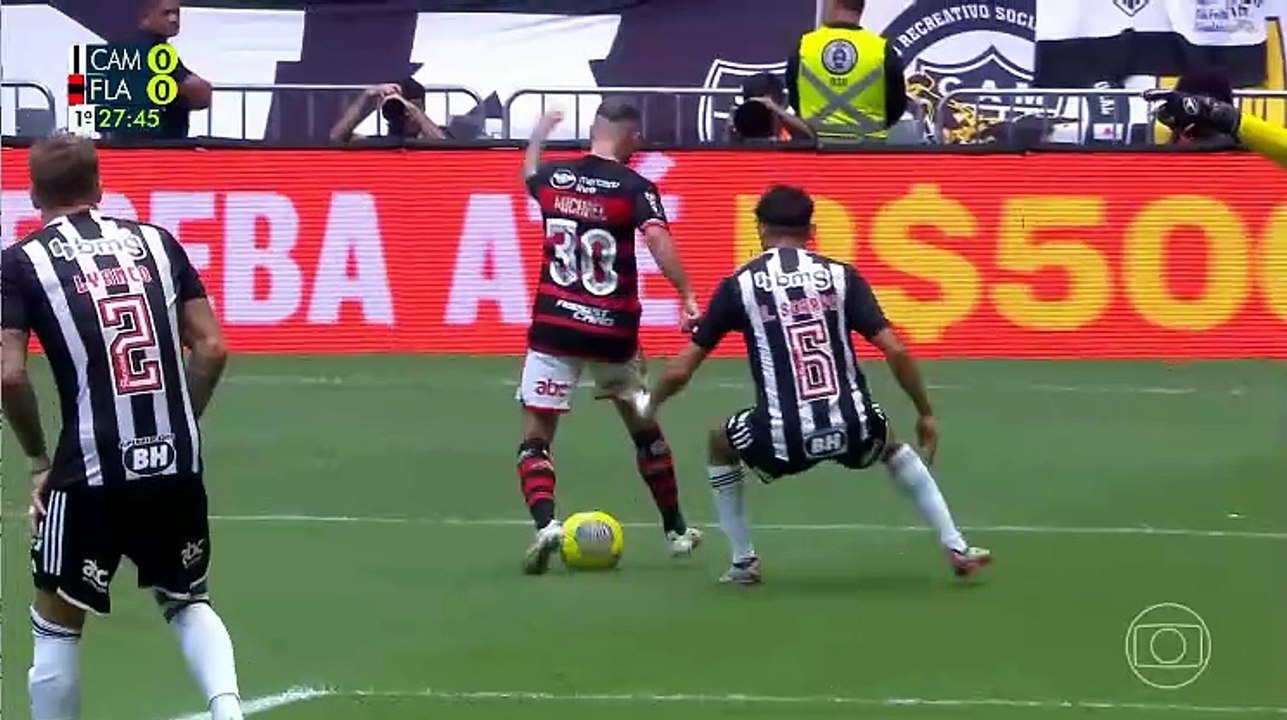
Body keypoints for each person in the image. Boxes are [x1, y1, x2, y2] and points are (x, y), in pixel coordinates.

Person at [620, 186, 992, 585]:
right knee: (890, 441)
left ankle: (743, 561)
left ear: (760, 229)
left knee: (719, 442)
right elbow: (896, 350)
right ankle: (955, 545)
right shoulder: (841, 276)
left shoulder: (740, 285)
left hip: (783, 439)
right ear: (811, 230)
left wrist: (649, 405)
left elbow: (680, 370)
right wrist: (926, 412)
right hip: (852, 427)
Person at [1, 134, 244, 720]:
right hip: (173, 461)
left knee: (56, 623)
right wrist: (178, 423)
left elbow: (9, 377)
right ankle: (229, 711)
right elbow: (211, 347)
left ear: (34, 194)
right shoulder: (157, 242)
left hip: (88, 468)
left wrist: (37, 462)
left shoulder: (20, 263)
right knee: (186, 599)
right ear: (100, 186)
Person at [516, 101, 704, 574]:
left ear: (595, 130)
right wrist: (685, 293)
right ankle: (676, 530)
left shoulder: (556, 180)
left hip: (554, 326)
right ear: (632, 139)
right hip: (611, 331)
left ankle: (546, 525)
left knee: (537, 437)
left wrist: (539, 133)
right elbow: (658, 238)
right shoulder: (634, 187)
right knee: (644, 427)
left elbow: (529, 174)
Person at [786, 0, 907, 142]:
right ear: (861, 8)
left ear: (834, 4)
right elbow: (897, 104)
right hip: (867, 151)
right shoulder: (881, 49)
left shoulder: (805, 45)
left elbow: (794, 96)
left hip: (814, 149)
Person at [137, 0, 212, 139]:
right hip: (154, 144)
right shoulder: (150, 48)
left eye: (176, 13)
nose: (173, 19)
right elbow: (200, 94)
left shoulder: (159, 47)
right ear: (145, 17)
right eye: (166, 13)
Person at [330, 77, 446, 143]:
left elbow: (445, 147)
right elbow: (337, 137)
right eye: (401, 108)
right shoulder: (380, 143)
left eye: (415, 107)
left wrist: (412, 109)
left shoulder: (431, 140)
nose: (407, 114)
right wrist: (367, 96)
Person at [727, 73, 813, 143]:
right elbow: (728, 151)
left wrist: (777, 110)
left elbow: (810, 137)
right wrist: (731, 128)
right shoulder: (743, 127)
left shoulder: (788, 129)